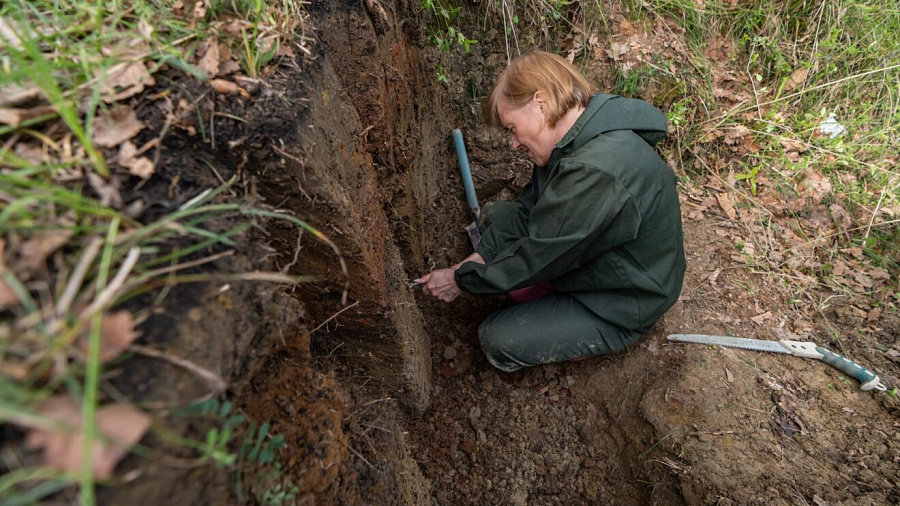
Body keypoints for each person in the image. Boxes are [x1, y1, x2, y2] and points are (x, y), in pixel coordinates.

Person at [418, 51, 685, 372]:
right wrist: (482, 257)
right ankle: (544, 294)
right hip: (598, 261)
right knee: (493, 219)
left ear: (540, 103)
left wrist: (461, 280)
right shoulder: (573, 141)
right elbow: (529, 213)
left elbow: (538, 255)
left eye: (512, 128)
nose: (513, 143)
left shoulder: (596, 170)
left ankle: (605, 334)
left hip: (625, 300)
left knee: (498, 339)